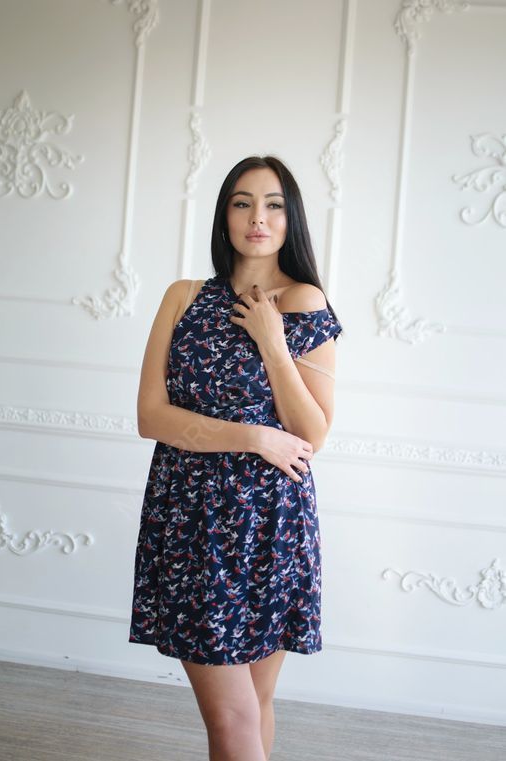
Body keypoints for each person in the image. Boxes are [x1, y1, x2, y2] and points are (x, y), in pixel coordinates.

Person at [129, 155, 343, 761]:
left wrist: (273, 343)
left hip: (271, 523)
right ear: (224, 216)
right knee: (233, 716)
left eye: (274, 205)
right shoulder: (183, 297)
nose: (257, 218)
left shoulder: (304, 301)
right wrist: (254, 437)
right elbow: (151, 416)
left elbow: (312, 433)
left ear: (291, 218)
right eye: (242, 203)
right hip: (192, 520)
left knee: (254, 705)